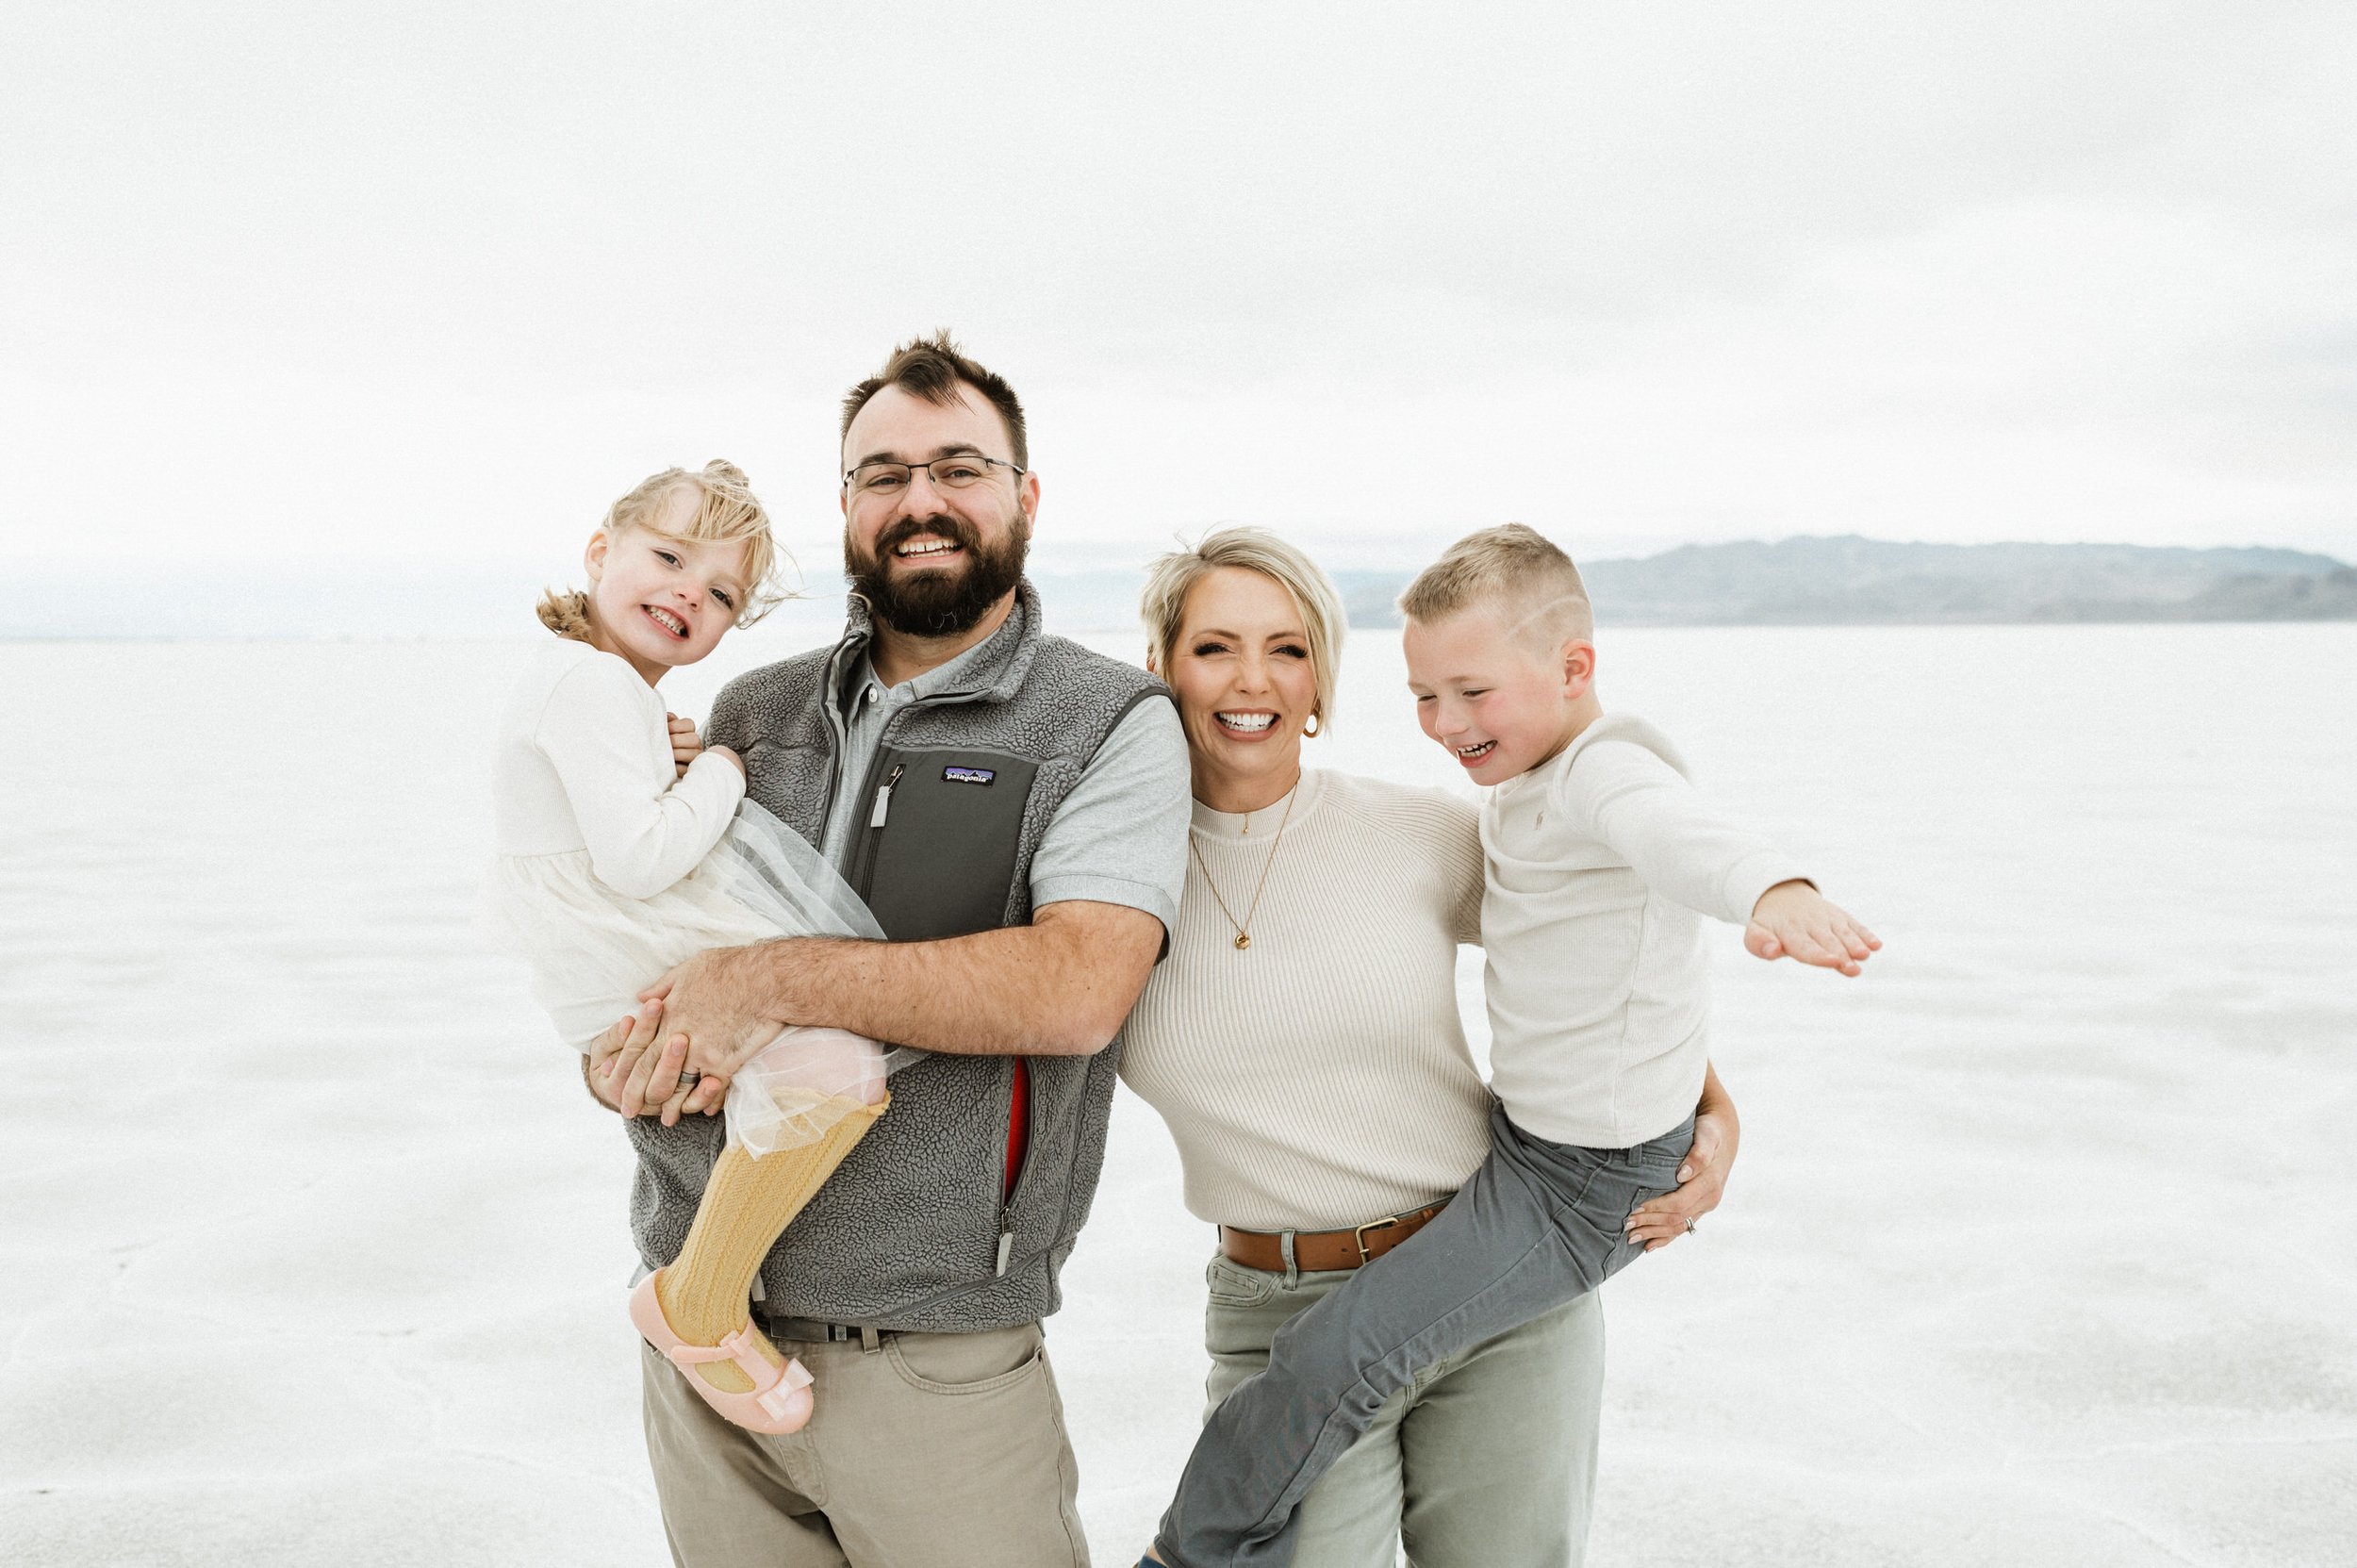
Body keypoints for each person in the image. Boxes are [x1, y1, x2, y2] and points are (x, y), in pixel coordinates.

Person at [1146, 524, 1881, 1568]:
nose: (1251, 677)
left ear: (1320, 681)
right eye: (1215, 646)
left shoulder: (1431, 828)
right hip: (1286, 1297)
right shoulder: (1109, 875)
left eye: (1289, 646)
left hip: (1500, 1247)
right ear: (1160, 668)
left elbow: (1624, 901)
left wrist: (1712, 1102)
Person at [586, 333, 1193, 1567]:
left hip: (935, 1369)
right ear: (848, 508)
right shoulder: (754, 710)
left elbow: (1078, 987)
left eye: (959, 467)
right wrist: (627, 1057)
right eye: (883, 474)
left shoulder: (1106, 723)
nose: (920, 499)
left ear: (1025, 497)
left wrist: (765, 980)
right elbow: (647, 956)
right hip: (697, 1331)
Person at [481, 458, 913, 1435]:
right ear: (601, 551)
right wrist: (719, 767)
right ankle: (700, 1302)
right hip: (623, 939)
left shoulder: (593, 685)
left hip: (606, 954)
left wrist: (668, 755)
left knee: (821, 1067)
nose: (688, 590)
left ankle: (707, 1293)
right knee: (837, 1069)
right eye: (668, 555)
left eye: (720, 591)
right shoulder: (589, 682)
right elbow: (637, 859)